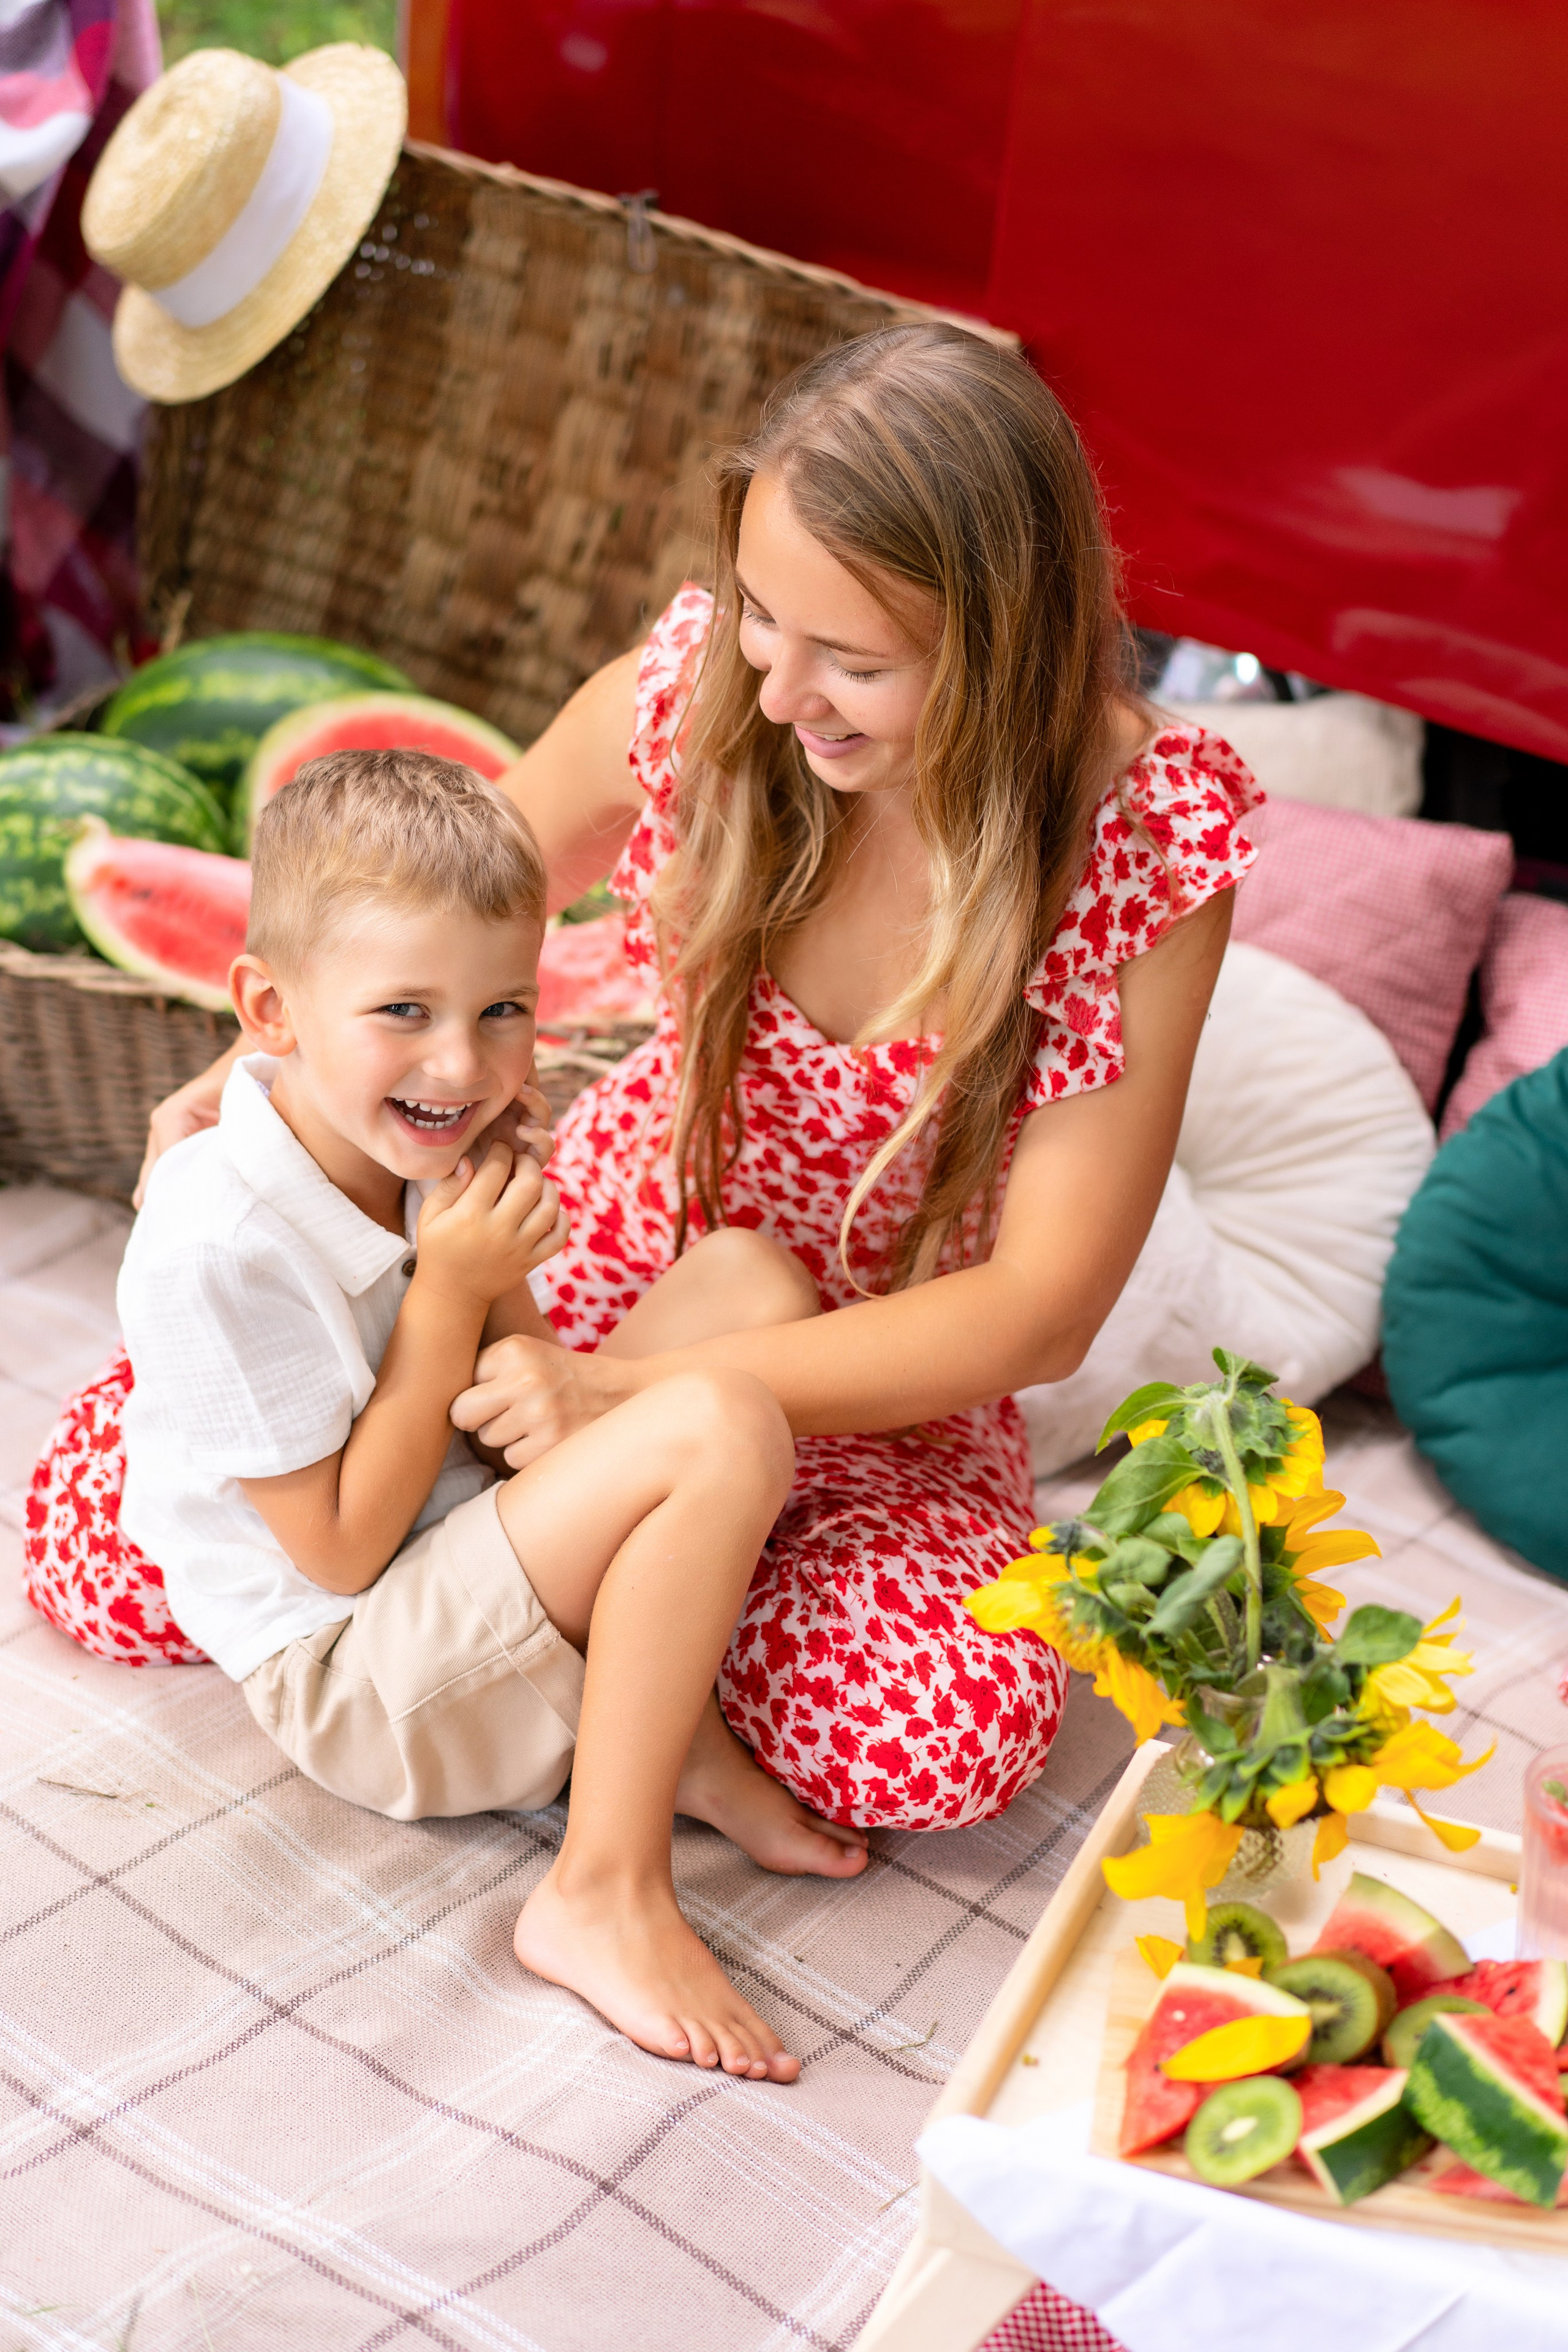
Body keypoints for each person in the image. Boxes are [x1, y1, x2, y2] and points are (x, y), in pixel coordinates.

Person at [32, 321, 1261, 1835]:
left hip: (879, 1376)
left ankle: (594, 1631)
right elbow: (414, 902)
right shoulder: (694, 691)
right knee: (88, 1542)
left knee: (950, 1734)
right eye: (761, 616)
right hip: (585, 1259)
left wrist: (612, 1393)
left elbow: (1040, 1309)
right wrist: (254, 1058)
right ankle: (623, 1640)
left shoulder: (1142, 841)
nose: (784, 688)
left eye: (856, 661)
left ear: (1007, 645)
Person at [115, 745, 869, 2082]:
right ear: (269, 1009)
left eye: (503, 1010)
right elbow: (341, 1551)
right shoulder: (213, 1238)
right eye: (402, 1011)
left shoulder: (418, 1130)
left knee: (749, 1281)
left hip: (448, 1546)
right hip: (356, 1672)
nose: (462, 1063)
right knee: (718, 1429)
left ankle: (658, 1728)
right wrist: (452, 1288)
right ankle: (600, 1887)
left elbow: (517, 1414)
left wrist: (499, 1298)